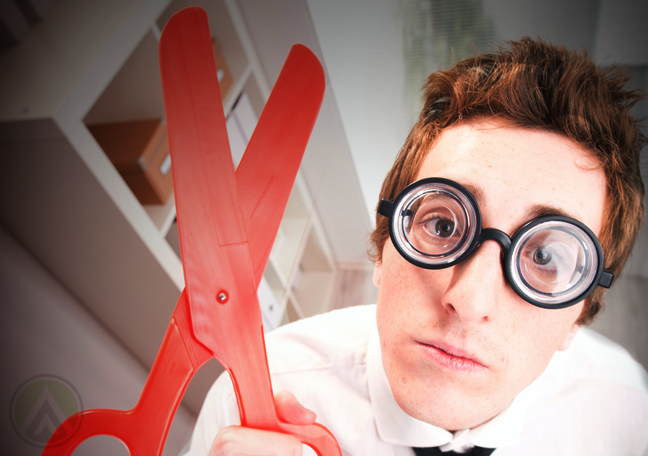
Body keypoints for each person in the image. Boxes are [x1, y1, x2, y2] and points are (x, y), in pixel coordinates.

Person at [185, 38, 648, 455]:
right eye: (443, 226)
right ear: (383, 249)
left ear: (578, 315)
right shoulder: (252, 399)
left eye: (544, 258)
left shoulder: (626, 411)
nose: (468, 301)